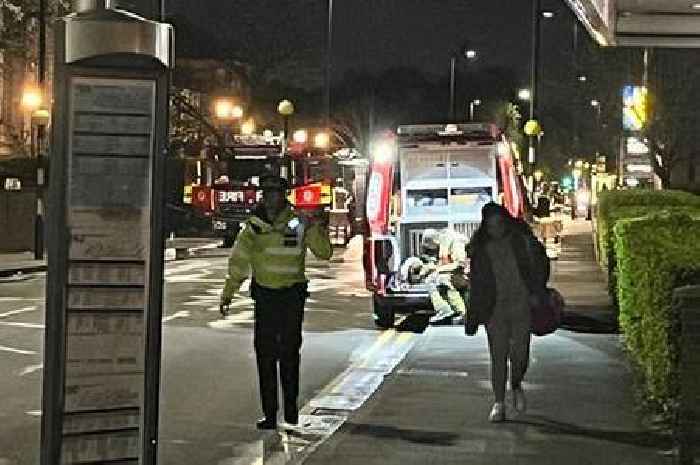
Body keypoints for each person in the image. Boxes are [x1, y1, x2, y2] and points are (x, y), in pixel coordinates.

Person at [220, 176, 333, 431]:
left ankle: (291, 411)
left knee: (290, 354)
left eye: (275, 193)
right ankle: (270, 414)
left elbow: (324, 253)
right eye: (267, 193)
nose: (270, 198)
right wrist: (228, 293)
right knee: (266, 357)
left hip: (291, 297)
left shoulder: (297, 223)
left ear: (284, 196)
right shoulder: (254, 227)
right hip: (265, 298)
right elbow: (238, 263)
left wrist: (314, 226)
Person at [465, 202, 549, 422]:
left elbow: (541, 264)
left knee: (520, 353)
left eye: (499, 224)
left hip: (521, 304)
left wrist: (536, 291)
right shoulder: (480, 250)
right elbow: (477, 284)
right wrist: (473, 315)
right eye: (491, 226)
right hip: (495, 309)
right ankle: (499, 402)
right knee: (498, 356)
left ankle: (516, 383)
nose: (496, 230)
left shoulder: (521, 241)